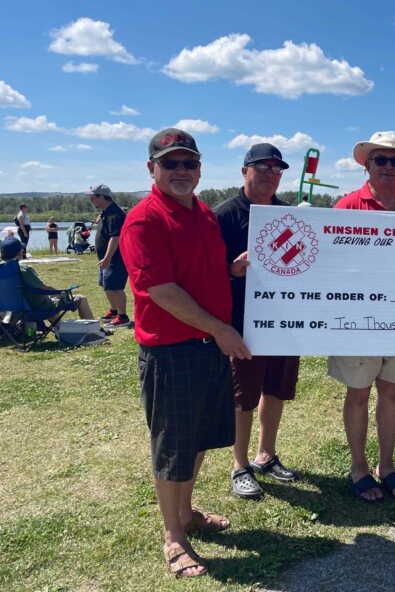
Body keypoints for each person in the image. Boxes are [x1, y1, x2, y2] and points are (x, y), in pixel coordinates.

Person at [119, 128, 252, 579]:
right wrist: (220, 329)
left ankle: (187, 513)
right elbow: (161, 290)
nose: (181, 171)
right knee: (173, 446)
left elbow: (202, 271)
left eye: (188, 163)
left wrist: (232, 270)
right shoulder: (143, 220)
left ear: (199, 169)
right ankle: (173, 537)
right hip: (172, 351)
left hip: (207, 347)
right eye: (170, 163)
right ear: (151, 168)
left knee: (196, 440)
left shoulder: (203, 214)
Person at [330, 131, 395, 503]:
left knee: (391, 391)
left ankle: (386, 465)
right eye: (380, 160)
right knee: (358, 392)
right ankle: (359, 467)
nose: (388, 166)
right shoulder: (347, 206)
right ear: (366, 165)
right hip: (357, 317)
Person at [215, 143, 301, 499]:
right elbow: (205, 274)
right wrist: (231, 271)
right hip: (243, 322)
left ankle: (266, 454)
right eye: (261, 167)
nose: (269, 174)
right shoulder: (224, 215)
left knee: (276, 390)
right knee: (242, 397)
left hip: (284, 320)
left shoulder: (289, 214)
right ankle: (240, 465)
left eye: (276, 169)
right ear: (244, 171)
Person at [1, 237, 94, 319]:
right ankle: (93, 331)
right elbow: (43, 288)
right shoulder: (23, 270)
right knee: (81, 299)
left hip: (8, 310)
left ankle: (59, 329)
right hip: (34, 310)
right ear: (19, 253)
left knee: (49, 299)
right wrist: (60, 293)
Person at [87, 184, 130, 327]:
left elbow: (115, 237)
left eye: (93, 199)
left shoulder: (114, 214)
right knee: (107, 285)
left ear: (102, 197)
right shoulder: (106, 211)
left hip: (115, 258)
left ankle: (122, 317)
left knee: (116, 287)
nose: (92, 202)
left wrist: (107, 258)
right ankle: (114, 310)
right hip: (106, 258)